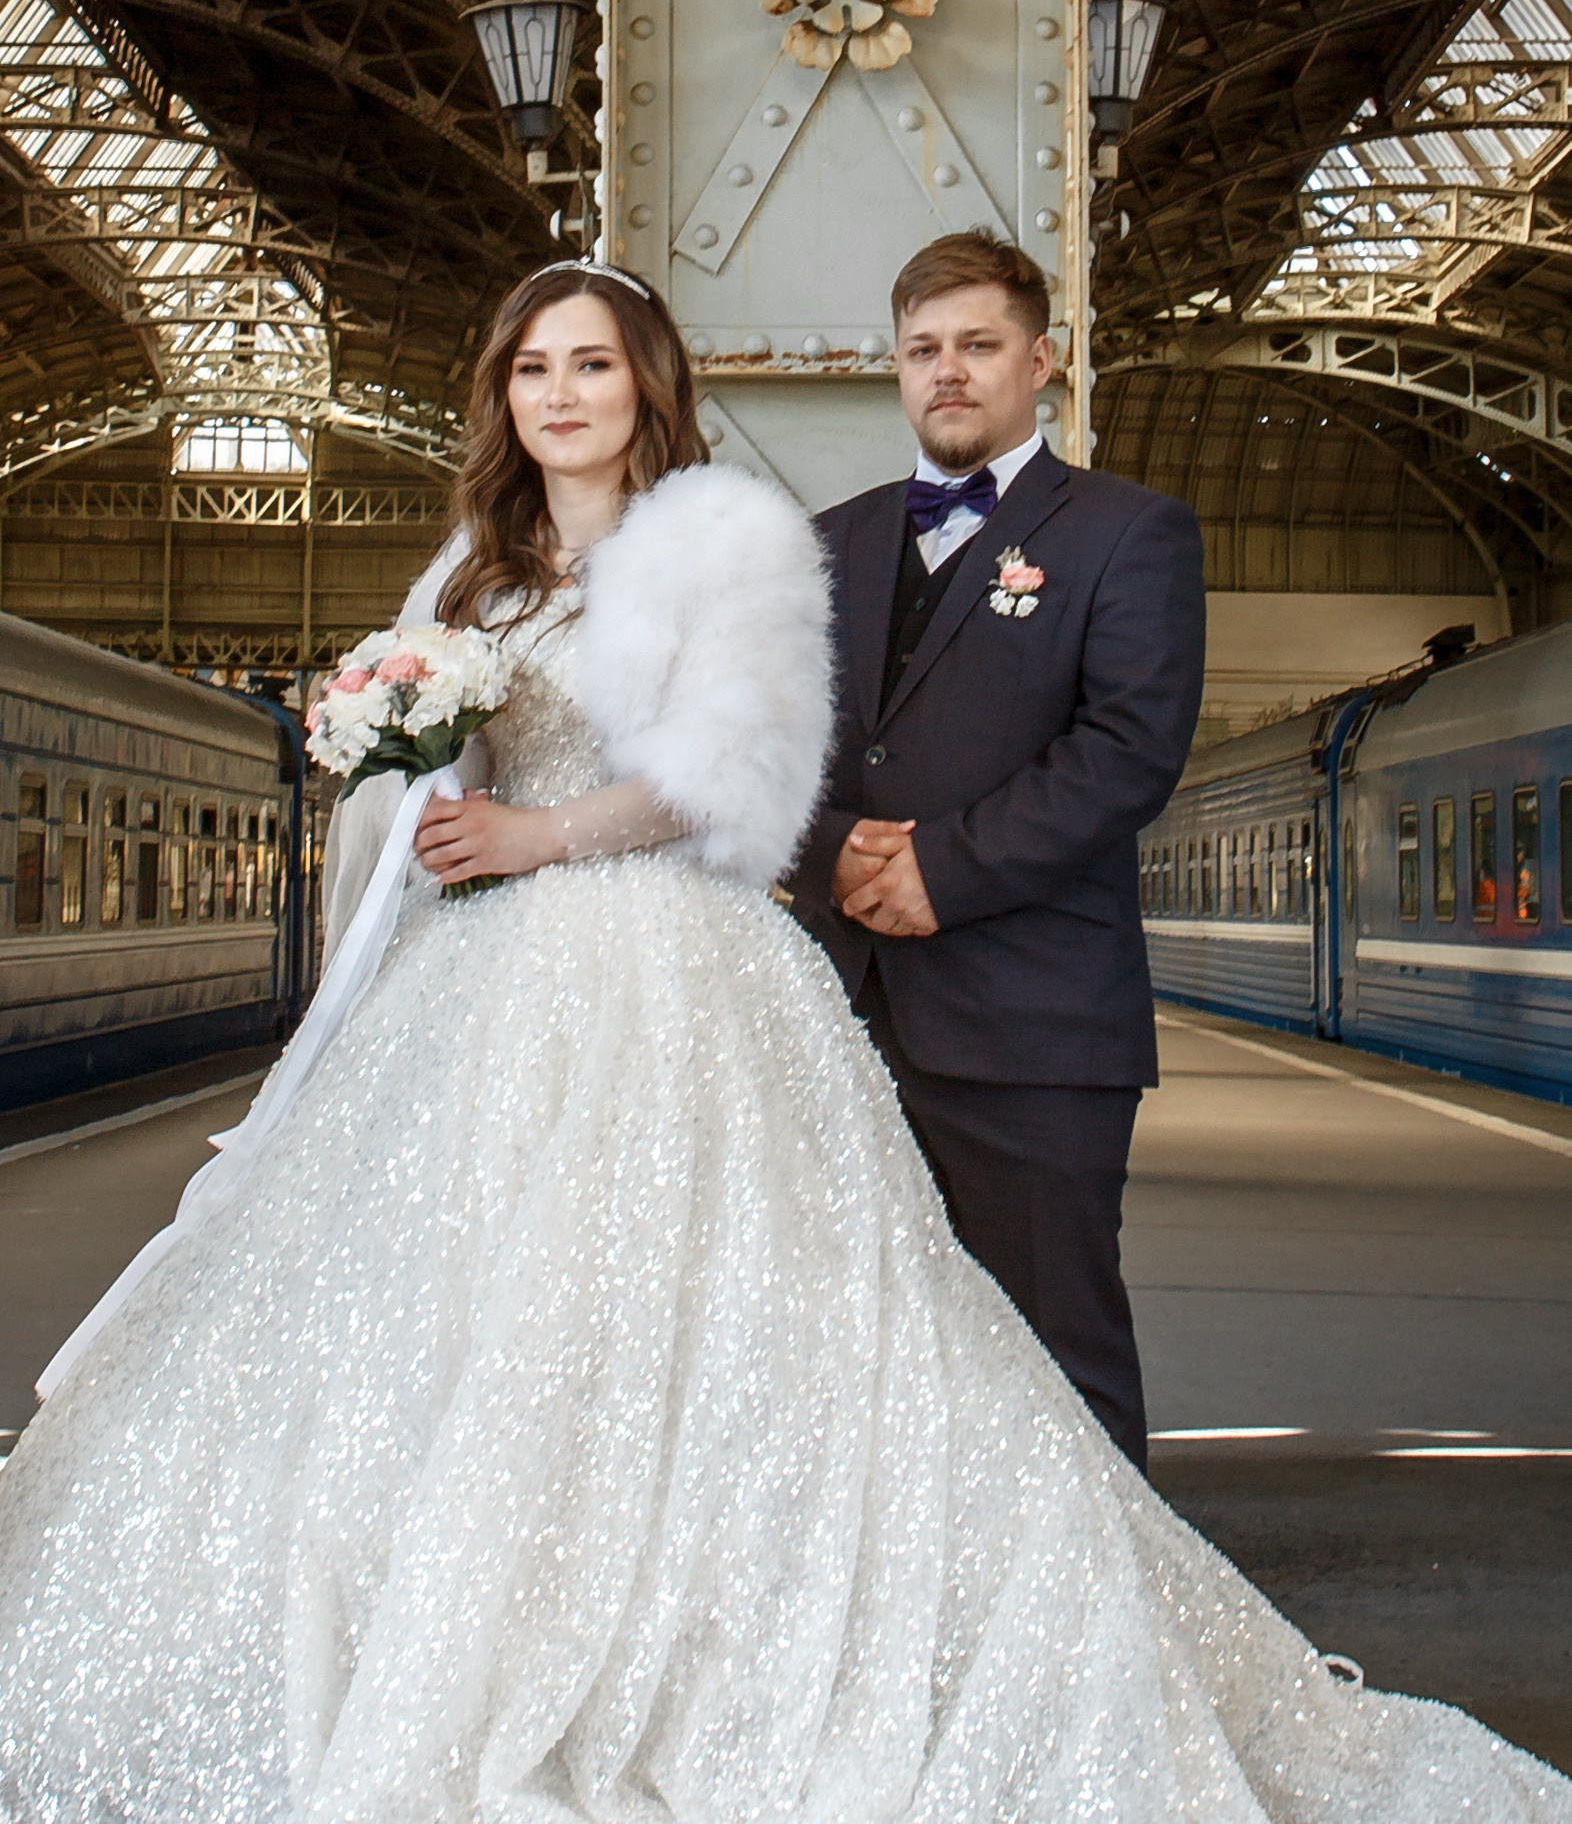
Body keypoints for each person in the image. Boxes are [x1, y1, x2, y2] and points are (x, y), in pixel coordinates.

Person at [0, 261, 1565, 1824]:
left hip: (680, 972)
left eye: (593, 363)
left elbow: (736, 766)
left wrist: (542, 833)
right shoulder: (478, 569)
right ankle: (500, 1620)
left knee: (830, 1334)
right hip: (486, 991)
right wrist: (401, 769)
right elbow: (452, 771)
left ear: (646, 382)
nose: (560, 392)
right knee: (489, 1321)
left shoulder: (734, 538)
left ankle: (1008, 1645)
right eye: (532, 365)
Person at [789, 230, 1204, 1473]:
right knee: (856, 1358)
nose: (949, 372)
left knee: (1055, 1353)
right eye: (924, 350)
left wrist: (941, 871)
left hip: (1035, 1030)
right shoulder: (830, 542)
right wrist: (831, 853)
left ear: (1044, 360)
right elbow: (771, 744)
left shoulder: (1131, 534)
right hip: (838, 1018)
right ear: (899, 371)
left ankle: (1104, 1653)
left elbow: (1128, 749)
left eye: (978, 346)